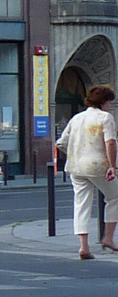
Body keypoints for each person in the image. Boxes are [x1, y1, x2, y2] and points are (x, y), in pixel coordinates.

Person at [54, 84, 118, 259]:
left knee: (81, 203)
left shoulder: (77, 118)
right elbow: (110, 142)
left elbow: (60, 143)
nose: (110, 106)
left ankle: (84, 246)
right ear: (103, 101)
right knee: (115, 197)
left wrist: (76, 152)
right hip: (98, 165)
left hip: (76, 166)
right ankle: (109, 238)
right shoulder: (105, 118)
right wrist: (113, 166)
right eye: (109, 102)